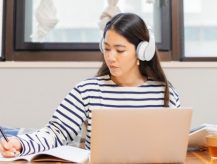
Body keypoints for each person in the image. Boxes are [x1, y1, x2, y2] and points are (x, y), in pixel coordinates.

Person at [0, 13, 180, 158]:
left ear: (143, 51)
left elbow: (174, 145)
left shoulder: (165, 93)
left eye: (120, 50)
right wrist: (21, 143)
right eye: (107, 48)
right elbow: (57, 132)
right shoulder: (88, 90)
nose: (111, 57)